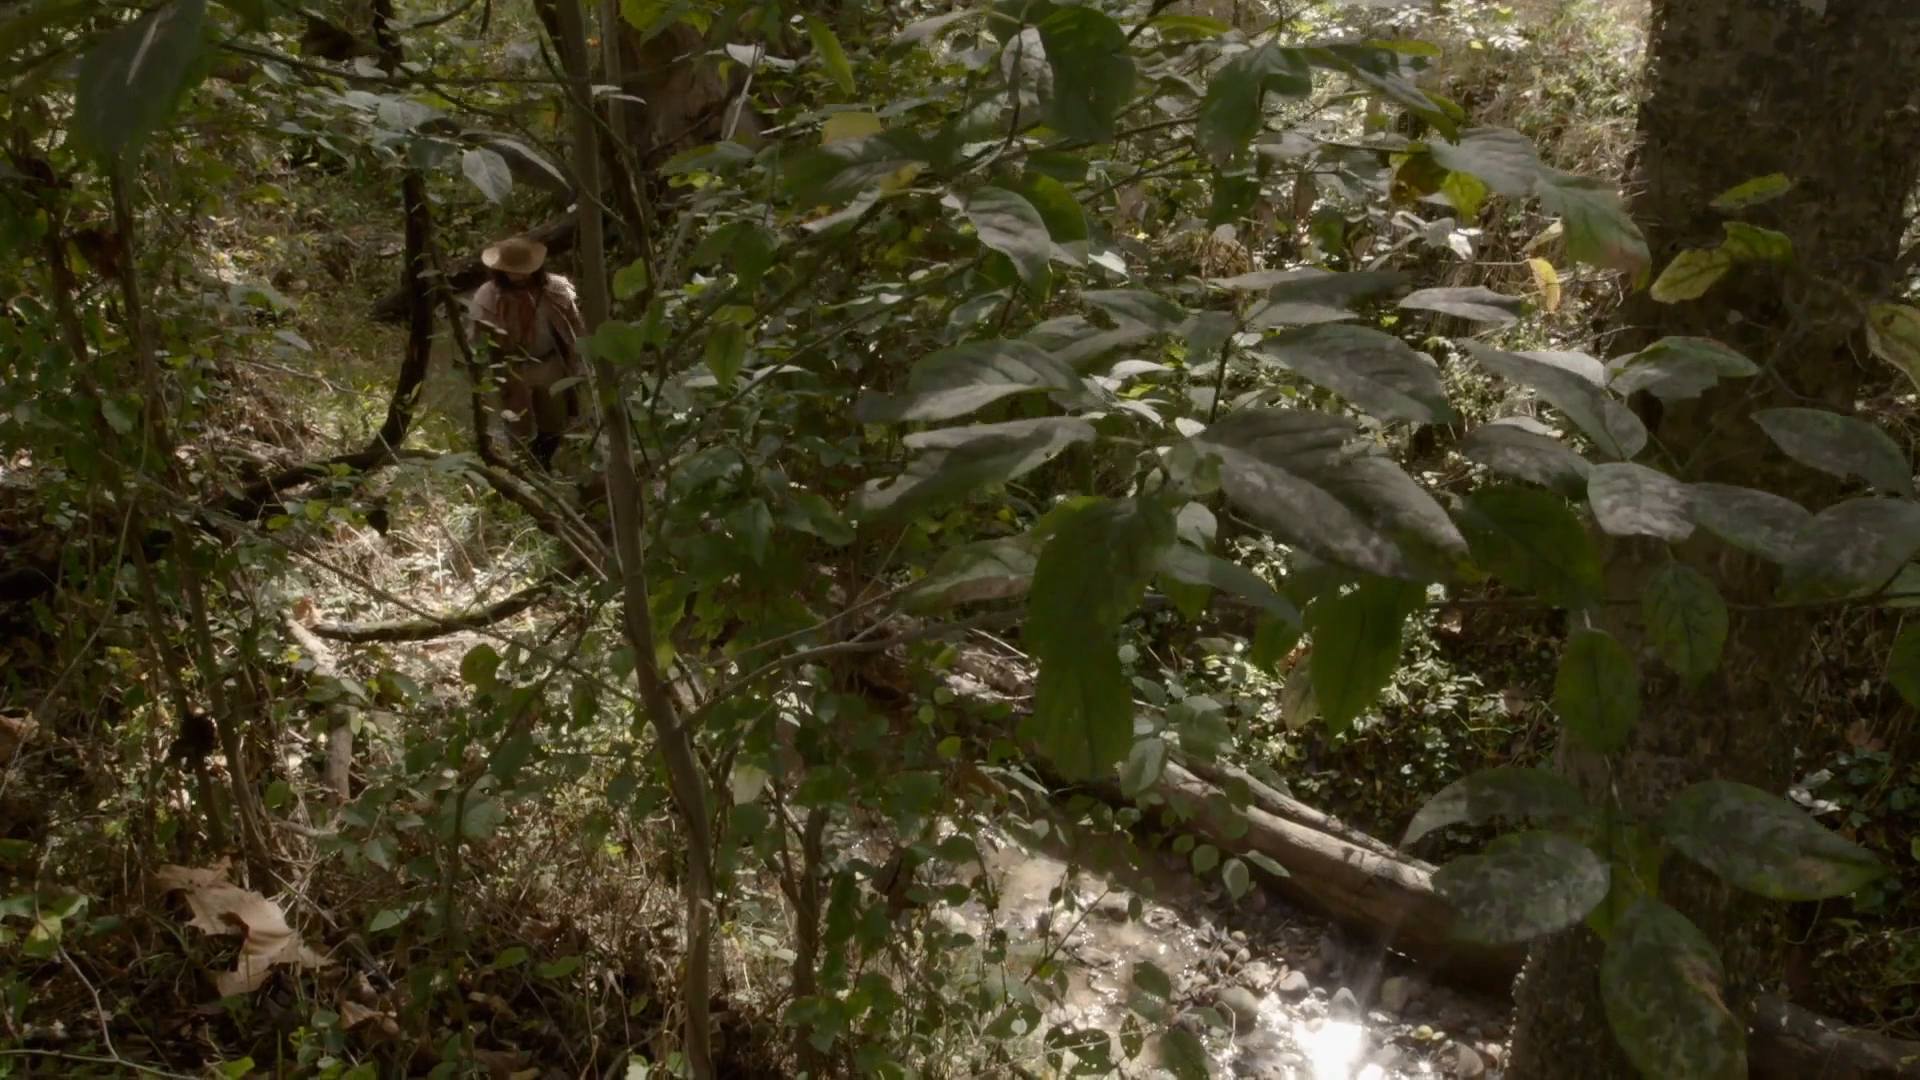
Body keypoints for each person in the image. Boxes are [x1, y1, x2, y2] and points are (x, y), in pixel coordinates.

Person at [466, 236, 587, 470]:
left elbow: (575, 326)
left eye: (522, 270)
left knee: (554, 422)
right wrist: (478, 370)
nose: (517, 276)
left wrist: (580, 359)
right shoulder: (488, 296)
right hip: (511, 367)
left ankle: (542, 462)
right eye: (512, 270)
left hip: (549, 363)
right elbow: (477, 339)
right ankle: (523, 468)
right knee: (517, 426)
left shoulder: (556, 289)